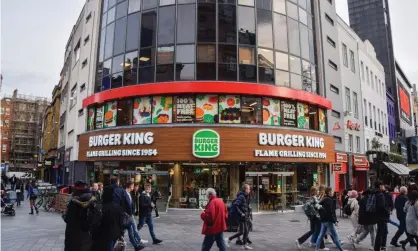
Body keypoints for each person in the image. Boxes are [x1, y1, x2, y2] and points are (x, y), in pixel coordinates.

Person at [64, 180, 96, 251]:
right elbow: (96, 216)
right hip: (86, 232)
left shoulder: (72, 200)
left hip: (72, 231)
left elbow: (66, 218)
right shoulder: (92, 199)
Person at [91, 186, 124, 251]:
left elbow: (97, 221)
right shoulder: (117, 207)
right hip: (114, 233)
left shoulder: (102, 207)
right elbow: (120, 221)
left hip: (103, 234)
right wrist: (121, 233)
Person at [315, 187, 347, 251]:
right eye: (332, 191)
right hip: (328, 220)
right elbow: (331, 212)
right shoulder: (329, 200)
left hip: (323, 220)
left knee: (321, 236)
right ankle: (341, 250)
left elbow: (317, 206)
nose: (333, 192)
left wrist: (321, 213)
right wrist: (335, 221)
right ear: (329, 192)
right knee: (335, 236)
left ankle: (316, 250)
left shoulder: (325, 198)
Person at [295, 186, 326, 250]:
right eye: (317, 190)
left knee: (312, 230)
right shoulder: (314, 198)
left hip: (312, 217)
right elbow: (319, 206)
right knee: (320, 231)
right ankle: (322, 247)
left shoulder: (311, 198)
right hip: (316, 217)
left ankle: (299, 241)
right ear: (314, 191)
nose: (318, 191)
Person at [226, 184, 252, 250]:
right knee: (242, 232)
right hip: (241, 217)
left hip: (244, 216)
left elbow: (244, 206)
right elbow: (235, 205)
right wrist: (241, 213)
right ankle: (228, 239)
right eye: (249, 189)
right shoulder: (241, 196)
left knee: (245, 231)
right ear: (246, 189)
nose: (250, 190)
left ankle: (244, 245)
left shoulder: (245, 196)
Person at [123, 181, 146, 251]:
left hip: (130, 215)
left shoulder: (129, 194)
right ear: (130, 186)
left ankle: (136, 245)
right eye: (133, 186)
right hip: (127, 216)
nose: (133, 187)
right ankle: (136, 245)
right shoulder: (124, 194)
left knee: (132, 230)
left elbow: (131, 204)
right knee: (130, 230)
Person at [372, 180, 390, 251]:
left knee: (384, 231)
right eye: (382, 185)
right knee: (380, 232)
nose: (383, 186)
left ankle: (383, 245)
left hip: (376, 214)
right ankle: (377, 248)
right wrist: (387, 212)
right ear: (380, 186)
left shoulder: (373, 192)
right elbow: (382, 206)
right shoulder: (380, 194)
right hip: (381, 216)